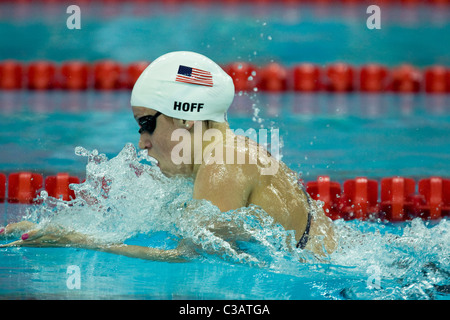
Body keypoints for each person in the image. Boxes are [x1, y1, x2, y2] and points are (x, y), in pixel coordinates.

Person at [0, 51, 336, 260]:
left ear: (187, 117)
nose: (143, 142)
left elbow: (186, 258)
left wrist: (75, 241)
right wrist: (55, 227)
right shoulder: (234, 153)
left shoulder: (223, 163)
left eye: (146, 124)